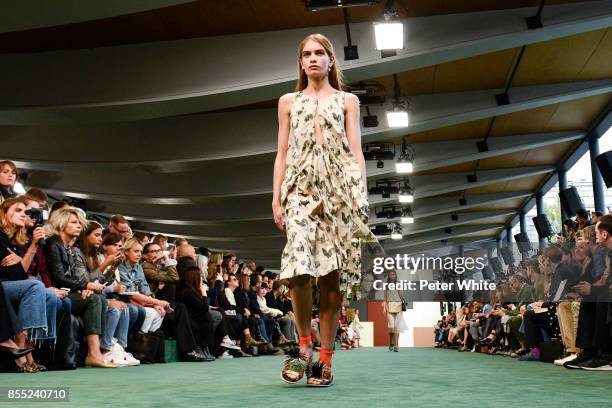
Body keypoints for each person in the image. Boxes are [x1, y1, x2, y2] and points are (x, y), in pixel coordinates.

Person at [272, 33, 377, 387]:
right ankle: (304, 346)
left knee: (331, 278)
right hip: (299, 190)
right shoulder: (288, 101)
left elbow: (356, 149)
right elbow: (282, 152)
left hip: (340, 193)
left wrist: (361, 195)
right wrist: (276, 197)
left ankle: (326, 360)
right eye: (307, 54)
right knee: (298, 270)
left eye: (320, 53)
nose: (313, 59)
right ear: (300, 63)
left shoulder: (348, 100)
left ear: (331, 60)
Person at [44, 206, 116, 368]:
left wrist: (82, 288)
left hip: (68, 291)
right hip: (55, 292)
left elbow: (68, 278)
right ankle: (93, 354)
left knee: (100, 300)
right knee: (95, 300)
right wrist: (85, 285)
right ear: (62, 224)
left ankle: (98, 351)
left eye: (79, 223)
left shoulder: (66, 246)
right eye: (74, 222)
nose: (78, 226)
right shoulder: (53, 244)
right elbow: (59, 278)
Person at [382, 270, 406, 352]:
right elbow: (385, 298)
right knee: (391, 326)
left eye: (393, 274)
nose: (392, 275)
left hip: (398, 306)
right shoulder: (386, 285)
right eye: (391, 274)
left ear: (396, 275)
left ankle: (396, 345)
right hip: (389, 306)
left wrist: (401, 289)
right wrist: (384, 308)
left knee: (396, 327)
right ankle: (391, 342)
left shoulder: (398, 283)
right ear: (388, 276)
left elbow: (402, 296)